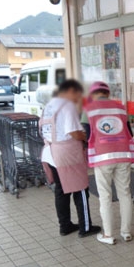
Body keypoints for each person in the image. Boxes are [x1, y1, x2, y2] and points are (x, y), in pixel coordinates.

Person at [40, 79, 101, 238]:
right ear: (71, 91)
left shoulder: (50, 105)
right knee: (80, 188)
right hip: (67, 153)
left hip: (50, 151)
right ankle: (85, 227)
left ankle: (65, 226)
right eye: (78, 94)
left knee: (61, 191)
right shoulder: (67, 106)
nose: (79, 98)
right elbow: (73, 132)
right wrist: (86, 136)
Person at [85, 81, 134, 245]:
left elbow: (86, 133)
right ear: (107, 93)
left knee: (105, 196)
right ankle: (126, 232)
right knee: (125, 194)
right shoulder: (120, 107)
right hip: (123, 154)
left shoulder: (89, 109)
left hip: (102, 156)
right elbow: (128, 131)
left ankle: (108, 235)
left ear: (93, 94)